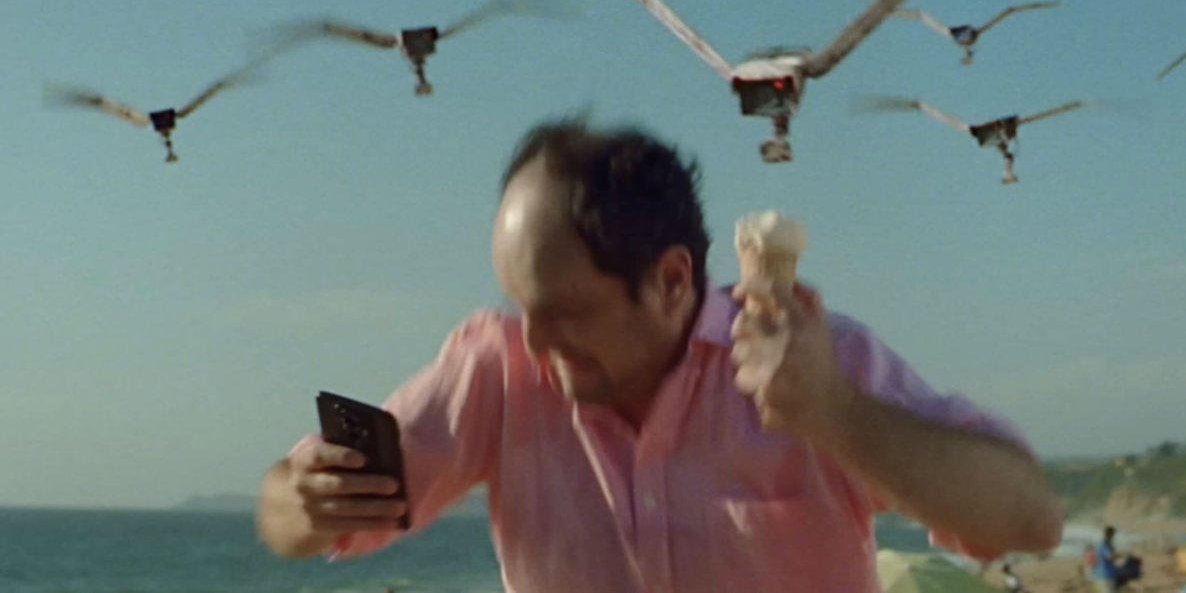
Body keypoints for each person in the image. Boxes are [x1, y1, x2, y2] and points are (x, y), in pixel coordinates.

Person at [255, 116, 1064, 593]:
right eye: (519, 304)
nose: (534, 341)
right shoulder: (497, 371)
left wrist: (838, 416)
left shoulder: (817, 360)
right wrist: (306, 497)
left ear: (673, 279)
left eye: (566, 311)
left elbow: (1029, 518)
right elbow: (286, 511)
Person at [1093, 526, 1119, 593]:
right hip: (1105, 575)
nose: (1113, 537)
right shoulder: (1104, 545)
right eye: (1113, 535)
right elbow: (1110, 556)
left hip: (1105, 575)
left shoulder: (1105, 544)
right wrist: (1120, 555)